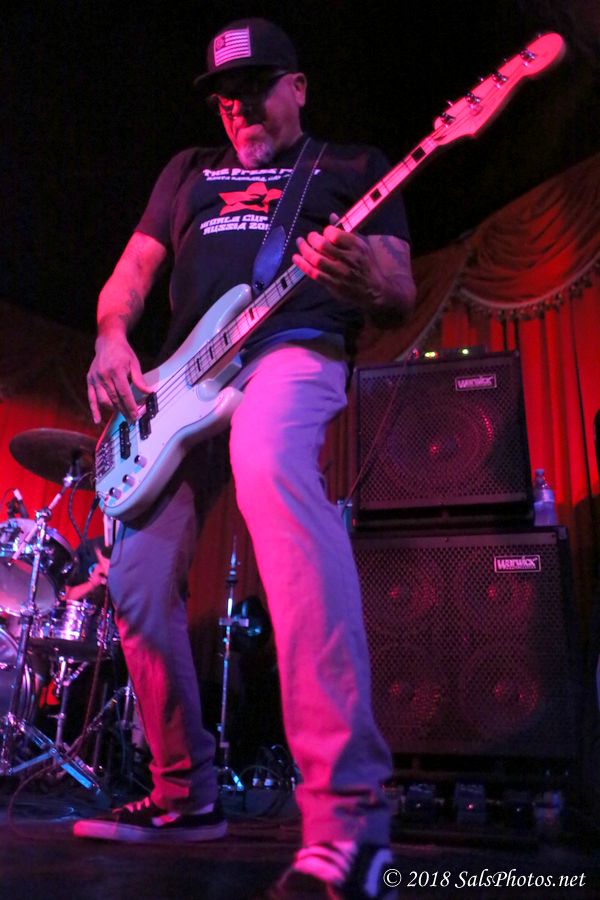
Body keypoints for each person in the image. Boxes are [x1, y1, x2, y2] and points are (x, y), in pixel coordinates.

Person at [75, 17, 416, 899]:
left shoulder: (352, 166)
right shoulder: (186, 172)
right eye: (225, 96)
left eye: (257, 87)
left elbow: (397, 287)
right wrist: (112, 335)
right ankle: (184, 792)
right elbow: (132, 274)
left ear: (298, 87)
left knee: (269, 465)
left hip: (291, 346)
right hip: (178, 386)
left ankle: (348, 814)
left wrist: (366, 277)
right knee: (136, 581)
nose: (239, 107)